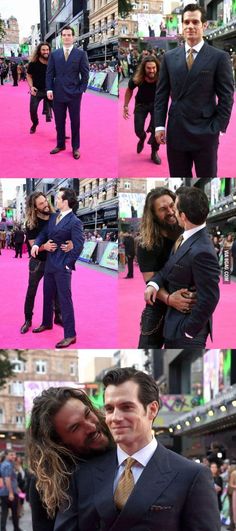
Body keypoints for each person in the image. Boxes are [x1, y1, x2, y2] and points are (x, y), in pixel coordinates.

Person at [54, 367, 220, 531]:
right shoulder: (83, 474)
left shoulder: (191, 476)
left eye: (127, 407)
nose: (115, 418)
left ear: (152, 410)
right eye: (110, 409)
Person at [154, 3, 234, 177]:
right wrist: (159, 125)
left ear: (204, 25)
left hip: (205, 131)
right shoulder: (169, 57)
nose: (190, 26)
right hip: (176, 130)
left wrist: (218, 126)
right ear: (182, 25)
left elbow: (227, 95)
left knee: (207, 176)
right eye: (186, 22)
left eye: (195, 22)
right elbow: (161, 94)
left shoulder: (219, 57)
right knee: (178, 177)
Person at [26, 386, 114, 531]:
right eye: (75, 428)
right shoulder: (48, 484)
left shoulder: (126, 450)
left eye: (87, 414)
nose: (91, 427)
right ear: (58, 442)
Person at [144, 186, 220, 348]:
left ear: (182, 216)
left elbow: (210, 297)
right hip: (173, 322)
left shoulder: (202, 250)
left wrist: (189, 331)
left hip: (187, 331)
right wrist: (154, 283)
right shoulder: (185, 237)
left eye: (174, 207)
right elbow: (168, 267)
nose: (172, 212)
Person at [137, 187, 196, 348]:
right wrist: (170, 299)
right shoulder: (146, 242)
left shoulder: (189, 230)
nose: (170, 211)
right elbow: (150, 280)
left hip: (187, 306)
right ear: (154, 215)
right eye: (163, 209)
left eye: (172, 205)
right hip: (158, 305)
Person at [31, 188, 84, 348]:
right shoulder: (53, 217)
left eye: (59, 198)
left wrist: (68, 264)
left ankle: (70, 334)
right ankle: (47, 322)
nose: (56, 201)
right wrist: (37, 244)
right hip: (50, 264)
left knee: (64, 300)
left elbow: (79, 245)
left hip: (62, 267)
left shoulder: (75, 222)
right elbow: (44, 234)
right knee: (47, 295)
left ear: (66, 202)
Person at [20, 191, 73, 334]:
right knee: (31, 291)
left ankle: (58, 316)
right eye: (41, 203)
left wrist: (70, 243)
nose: (45, 205)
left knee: (56, 292)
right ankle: (28, 319)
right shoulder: (31, 223)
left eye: (45, 201)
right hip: (37, 263)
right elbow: (32, 246)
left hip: (54, 261)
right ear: (35, 208)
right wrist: (44, 246)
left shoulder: (55, 216)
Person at [46, 26, 89, 160]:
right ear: (61, 37)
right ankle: (60, 145)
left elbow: (85, 74)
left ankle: (75, 147)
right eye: (64, 35)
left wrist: (81, 90)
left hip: (74, 94)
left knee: (75, 121)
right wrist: (49, 89)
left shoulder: (81, 54)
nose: (66, 37)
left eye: (69, 35)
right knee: (59, 121)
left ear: (73, 37)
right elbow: (49, 73)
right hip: (58, 93)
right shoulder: (54, 54)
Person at [123, 55, 161, 164]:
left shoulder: (162, 76)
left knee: (157, 129)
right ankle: (142, 138)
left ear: (157, 67)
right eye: (148, 68)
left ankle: (154, 152)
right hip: (141, 104)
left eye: (154, 68)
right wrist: (125, 106)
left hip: (156, 105)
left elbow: (171, 90)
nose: (151, 70)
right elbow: (129, 90)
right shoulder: (137, 77)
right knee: (138, 130)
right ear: (144, 68)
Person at [27, 42, 53, 134]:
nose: (46, 52)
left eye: (47, 50)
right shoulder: (33, 63)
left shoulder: (53, 62)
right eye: (43, 50)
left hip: (50, 91)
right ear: (39, 51)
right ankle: (35, 123)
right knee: (32, 110)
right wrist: (31, 87)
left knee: (59, 112)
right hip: (37, 91)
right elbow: (29, 75)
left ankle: (61, 131)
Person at [0, 450, 22, 531]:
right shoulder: (8, 465)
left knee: (5, 513)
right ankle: (16, 528)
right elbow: (7, 479)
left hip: (4, 492)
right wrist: (11, 493)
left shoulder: (4, 464)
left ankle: (4, 528)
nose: (14, 456)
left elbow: (11, 479)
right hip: (8, 493)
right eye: (11, 455)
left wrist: (16, 487)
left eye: (14, 454)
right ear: (6, 455)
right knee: (14, 513)